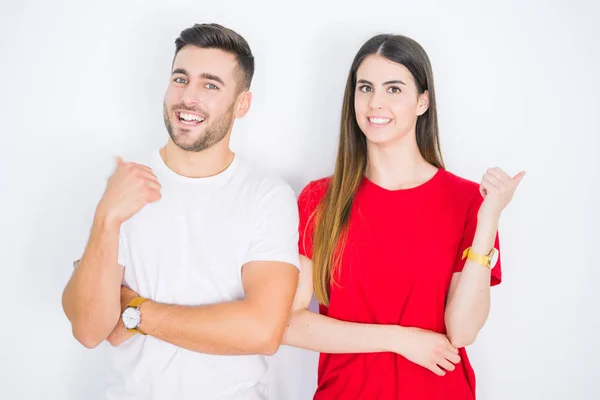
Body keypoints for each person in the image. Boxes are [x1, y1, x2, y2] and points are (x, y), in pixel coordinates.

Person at [61, 23, 300, 400]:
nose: (188, 97)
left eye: (210, 84)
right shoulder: (126, 183)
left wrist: (135, 312)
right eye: (180, 78)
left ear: (242, 104)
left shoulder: (267, 196)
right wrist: (106, 218)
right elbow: (90, 330)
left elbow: (262, 331)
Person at [283, 33, 524, 399]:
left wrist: (489, 220)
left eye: (393, 89)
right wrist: (399, 339)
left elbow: (461, 332)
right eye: (365, 88)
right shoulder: (320, 200)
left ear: (422, 102)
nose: (375, 102)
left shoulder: (468, 201)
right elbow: (289, 324)